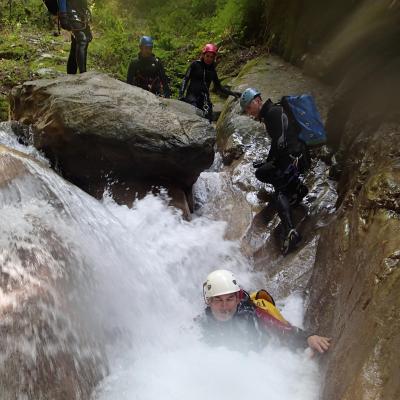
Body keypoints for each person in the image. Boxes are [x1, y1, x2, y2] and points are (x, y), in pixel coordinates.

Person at [240, 88, 311, 255]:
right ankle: (297, 187)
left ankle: (290, 231)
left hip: (294, 158)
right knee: (263, 172)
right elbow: (279, 141)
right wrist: (267, 162)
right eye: (247, 110)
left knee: (279, 190)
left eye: (249, 108)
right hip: (297, 155)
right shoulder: (274, 111)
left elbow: (280, 142)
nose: (249, 113)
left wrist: (271, 162)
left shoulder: (272, 113)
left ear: (258, 101)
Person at [199, 269, 331, 354]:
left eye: (229, 299)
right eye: (218, 300)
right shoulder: (200, 324)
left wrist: (308, 338)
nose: (225, 307)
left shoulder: (253, 313)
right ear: (209, 301)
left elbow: (284, 330)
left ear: (238, 299)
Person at [179, 43, 241, 121]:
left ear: (214, 58)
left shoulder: (212, 71)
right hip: (192, 96)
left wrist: (233, 93)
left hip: (204, 98)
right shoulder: (195, 65)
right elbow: (186, 79)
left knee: (208, 118)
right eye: (207, 56)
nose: (209, 59)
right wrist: (181, 94)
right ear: (203, 55)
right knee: (194, 113)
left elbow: (219, 87)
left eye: (211, 57)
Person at [58, 0, 92, 74]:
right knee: (82, 38)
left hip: (79, 8)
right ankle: (84, 75)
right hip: (68, 8)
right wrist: (63, 14)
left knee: (76, 43)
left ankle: (71, 75)